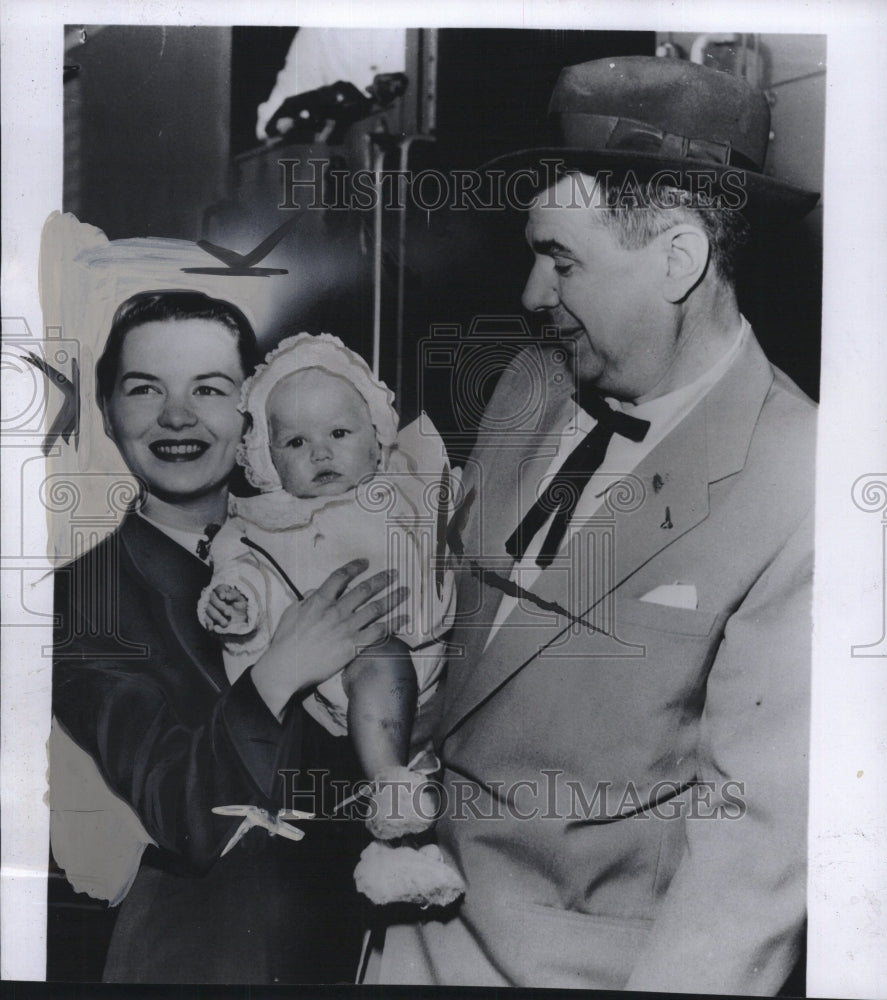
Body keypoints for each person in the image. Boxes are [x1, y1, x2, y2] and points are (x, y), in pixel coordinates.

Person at [376, 56, 818, 994]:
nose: (534, 295)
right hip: (405, 936)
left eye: (562, 260)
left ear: (679, 258)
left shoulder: (800, 476)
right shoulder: (528, 383)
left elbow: (753, 866)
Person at [51, 289, 408, 984]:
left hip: (386, 943)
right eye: (144, 389)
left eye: (209, 389)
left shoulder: (359, 523)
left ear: (255, 411)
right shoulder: (83, 599)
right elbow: (180, 813)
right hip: (214, 956)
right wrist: (281, 671)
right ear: (106, 413)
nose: (177, 416)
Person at [196, 332, 463, 907]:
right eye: (295, 441)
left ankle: (405, 858)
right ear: (268, 461)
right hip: (349, 671)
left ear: (375, 440)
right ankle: (387, 783)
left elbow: (449, 521)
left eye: (339, 434)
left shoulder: (402, 487)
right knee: (381, 664)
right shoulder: (268, 523)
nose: (320, 453)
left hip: (435, 658)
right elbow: (244, 570)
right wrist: (233, 602)